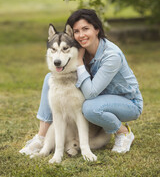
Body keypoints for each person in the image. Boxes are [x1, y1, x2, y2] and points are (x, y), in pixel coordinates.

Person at [19, 9, 143, 155]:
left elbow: (90, 93)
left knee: (90, 108)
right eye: (76, 31)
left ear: (97, 29)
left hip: (127, 102)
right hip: (101, 97)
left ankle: (123, 132)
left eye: (86, 29)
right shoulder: (81, 50)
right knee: (50, 79)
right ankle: (41, 137)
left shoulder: (111, 56)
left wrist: (79, 61)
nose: (81, 35)